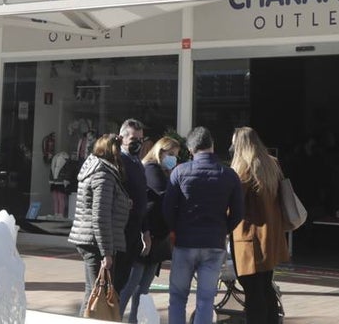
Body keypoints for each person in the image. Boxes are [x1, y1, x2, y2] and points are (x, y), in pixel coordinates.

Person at [163, 126, 244, 324]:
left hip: (185, 242)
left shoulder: (179, 172)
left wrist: (175, 229)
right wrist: (224, 229)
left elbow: (167, 209)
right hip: (214, 243)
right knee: (206, 299)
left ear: (190, 149)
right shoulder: (229, 175)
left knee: (177, 296)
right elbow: (239, 213)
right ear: (212, 146)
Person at [229, 127, 289, 324]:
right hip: (270, 236)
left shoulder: (244, 168)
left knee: (252, 290)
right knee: (265, 287)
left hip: (249, 239)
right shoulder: (272, 164)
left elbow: (234, 204)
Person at [67, 133, 132, 316]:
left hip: (90, 239)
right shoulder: (103, 174)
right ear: (113, 152)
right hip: (96, 242)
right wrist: (107, 253)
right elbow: (100, 215)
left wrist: (124, 203)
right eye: (119, 151)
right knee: (95, 293)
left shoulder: (96, 169)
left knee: (93, 291)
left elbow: (103, 207)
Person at [119, 135, 181, 322]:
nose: (174, 159)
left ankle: (133, 320)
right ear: (160, 151)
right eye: (171, 154)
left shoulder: (162, 171)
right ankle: (115, 318)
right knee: (132, 285)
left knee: (143, 289)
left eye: (176, 155)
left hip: (157, 237)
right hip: (147, 235)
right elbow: (163, 198)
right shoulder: (152, 169)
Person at [113, 119, 151, 298]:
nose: (138, 143)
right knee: (110, 284)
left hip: (134, 232)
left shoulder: (137, 163)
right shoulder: (117, 162)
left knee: (121, 283)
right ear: (122, 138)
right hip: (120, 232)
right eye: (134, 139)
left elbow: (141, 197)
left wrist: (145, 231)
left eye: (141, 139)